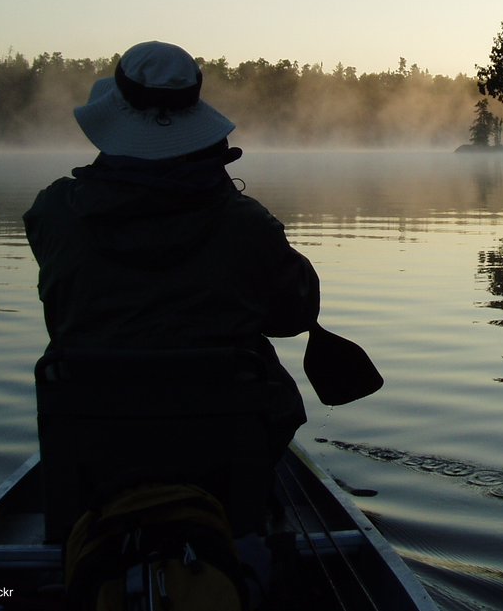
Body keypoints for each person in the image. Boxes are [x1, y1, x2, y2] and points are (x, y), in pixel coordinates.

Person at [23, 40, 315, 461]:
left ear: (113, 120)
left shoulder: (53, 213)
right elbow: (292, 318)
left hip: (92, 438)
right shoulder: (248, 224)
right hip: (225, 443)